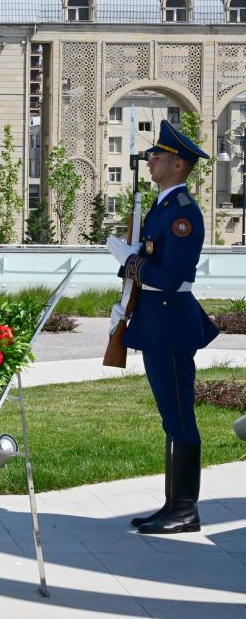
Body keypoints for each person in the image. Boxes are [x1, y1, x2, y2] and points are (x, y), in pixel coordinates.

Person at [107, 119, 219, 535]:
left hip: (171, 323)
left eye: (158, 156)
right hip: (156, 320)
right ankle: (174, 505)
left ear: (177, 165)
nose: (150, 161)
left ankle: (186, 510)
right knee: (169, 417)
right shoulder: (162, 207)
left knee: (180, 416)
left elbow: (170, 277)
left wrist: (130, 261)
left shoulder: (183, 214)